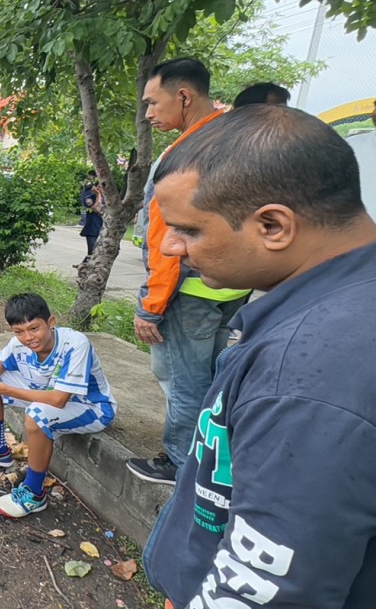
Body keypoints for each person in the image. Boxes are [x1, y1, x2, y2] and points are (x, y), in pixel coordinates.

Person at [143, 104, 376, 607]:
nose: (172, 248)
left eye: (190, 229)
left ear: (273, 225)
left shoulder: (308, 375)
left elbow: (272, 587)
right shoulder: (345, 302)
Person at [127, 58, 251, 486]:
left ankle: (182, 463)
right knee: (214, 378)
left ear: (183, 96)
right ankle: (216, 455)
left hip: (189, 289)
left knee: (183, 380)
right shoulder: (234, 139)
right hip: (230, 288)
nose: (148, 113)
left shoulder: (184, 154)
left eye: (152, 102)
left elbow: (167, 239)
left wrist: (151, 305)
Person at [0, 293, 116, 518]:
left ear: (51, 323)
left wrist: (2, 388)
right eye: (19, 331)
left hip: (90, 407)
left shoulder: (75, 344)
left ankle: (34, 493)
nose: (28, 337)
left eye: (34, 328)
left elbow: (59, 399)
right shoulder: (19, 342)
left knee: (36, 414)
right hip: (47, 394)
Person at [77, 170, 105, 263]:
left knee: (99, 253)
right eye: (100, 186)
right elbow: (97, 208)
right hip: (92, 228)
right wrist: (98, 195)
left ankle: (84, 266)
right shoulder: (89, 197)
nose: (102, 189)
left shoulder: (107, 199)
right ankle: (85, 269)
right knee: (92, 252)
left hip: (102, 229)